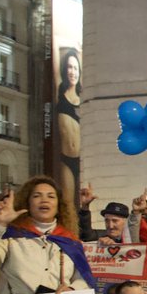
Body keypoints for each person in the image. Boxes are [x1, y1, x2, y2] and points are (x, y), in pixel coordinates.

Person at [55, 47, 82, 201]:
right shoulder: (60, 95)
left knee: (83, 201)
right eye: (69, 67)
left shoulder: (84, 98)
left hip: (82, 160)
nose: (72, 72)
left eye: (75, 68)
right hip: (66, 158)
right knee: (68, 203)